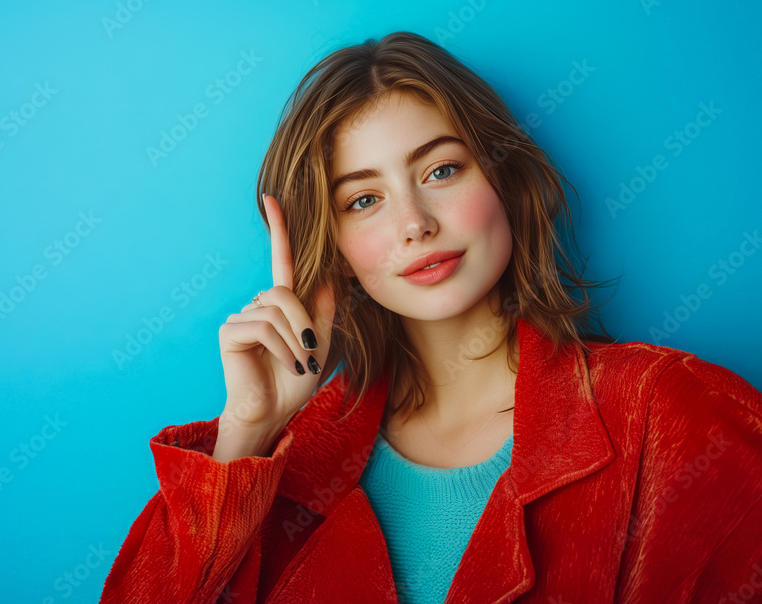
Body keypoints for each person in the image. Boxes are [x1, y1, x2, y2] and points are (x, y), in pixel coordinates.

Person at [99, 31, 762, 603]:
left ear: (505, 179)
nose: (414, 223)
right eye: (363, 201)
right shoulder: (290, 463)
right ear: (327, 247)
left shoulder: (668, 409)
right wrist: (248, 432)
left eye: (442, 169)